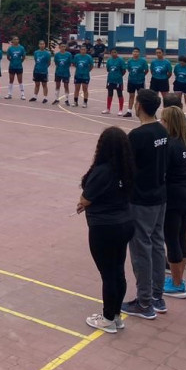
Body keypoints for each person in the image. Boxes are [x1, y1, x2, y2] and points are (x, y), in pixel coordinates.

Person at [77, 127, 134, 333]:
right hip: (125, 222)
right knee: (118, 270)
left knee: (108, 274)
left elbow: (86, 198)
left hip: (105, 227)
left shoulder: (102, 171)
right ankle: (116, 315)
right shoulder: (126, 168)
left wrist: (84, 202)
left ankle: (108, 318)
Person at [121, 89, 169, 320]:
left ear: (138, 105)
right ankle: (157, 297)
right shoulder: (162, 130)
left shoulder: (138, 136)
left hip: (141, 199)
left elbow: (126, 168)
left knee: (141, 249)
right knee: (157, 244)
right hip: (159, 195)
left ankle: (144, 302)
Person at [161, 106, 186, 300]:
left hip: (174, 197)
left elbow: (163, 171)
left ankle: (176, 284)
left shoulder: (170, 146)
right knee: (181, 236)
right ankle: (179, 278)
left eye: (163, 120)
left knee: (172, 238)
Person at [124, 48, 148, 118]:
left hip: (140, 81)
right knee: (131, 96)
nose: (135, 53)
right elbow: (129, 69)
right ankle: (129, 111)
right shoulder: (129, 61)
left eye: (137, 52)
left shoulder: (143, 61)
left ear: (139, 53)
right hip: (131, 81)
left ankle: (141, 111)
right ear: (132, 53)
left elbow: (146, 70)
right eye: (134, 52)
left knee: (140, 97)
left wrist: (141, 76)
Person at [103, 49, 126, 115]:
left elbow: (124, 70)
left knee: (120, 94)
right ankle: (108, 109)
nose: (114, 53)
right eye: (112, 52)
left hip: (118, 80)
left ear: (117, 53)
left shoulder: (121, 60)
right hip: (110, 80)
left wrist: (119, 75)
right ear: (110, 53)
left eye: (115, 52)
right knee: (110, 94)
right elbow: (108, 69)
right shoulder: (109, 60)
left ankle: (120, 110)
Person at [30, 40, 52, 104]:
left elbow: (49, 63)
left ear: (44, 45)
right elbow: (36, 61)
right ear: (39, 45)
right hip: (36, 70)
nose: (42, 45)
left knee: (44, 84)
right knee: (37, 84)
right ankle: (35, 96)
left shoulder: (47, 53)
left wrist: (44, 67)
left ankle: (45, 98)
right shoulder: (36, 52)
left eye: (43, 44)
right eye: (40, 44)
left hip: (44, 71)